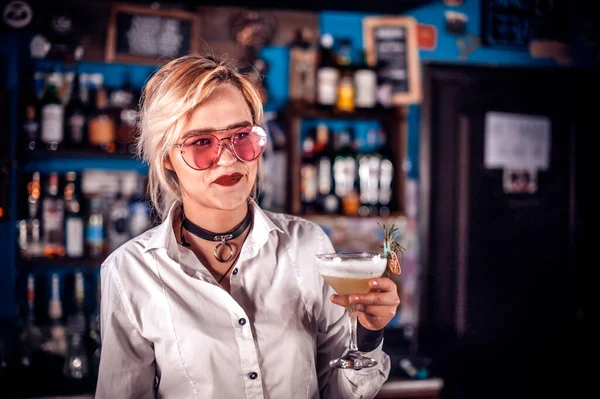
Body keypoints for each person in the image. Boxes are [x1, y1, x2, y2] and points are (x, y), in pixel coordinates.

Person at [96, 54, 400, 399]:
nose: (229, 158)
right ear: (166, 156)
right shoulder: (129, 271)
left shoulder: (307, 245)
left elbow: (341, 392)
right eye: (201, 142)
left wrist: (369, 332)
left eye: (241, 136)